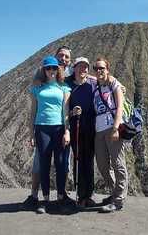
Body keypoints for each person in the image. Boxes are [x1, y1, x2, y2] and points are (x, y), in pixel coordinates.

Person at [23, 46, 73, 209]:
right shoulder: (36, 88)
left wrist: (67, 131)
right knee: (44, 163)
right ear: (44, 70)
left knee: (60, 163)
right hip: (42, 128)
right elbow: (33, 112)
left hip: (58, 128)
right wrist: (31, 134)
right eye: (48, 68)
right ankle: (44, 200)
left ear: (58, 69)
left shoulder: (64, 88)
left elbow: (65, 112)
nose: (51, 70)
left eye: (53, 68)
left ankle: (59, 197)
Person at [92, 57, 128, 213]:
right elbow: (81, 75)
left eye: (102, 68)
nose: (99, 71)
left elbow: (119, 106)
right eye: (96, 68)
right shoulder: (95, 85)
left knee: (118, 164)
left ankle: (118, 200)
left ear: (107, 70)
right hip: (99, 131)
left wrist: (116, 128)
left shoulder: (114, 84)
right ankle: (114, 193)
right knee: (102, 165)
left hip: (113, 128)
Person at [65, 57, 96, 208]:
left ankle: (88, 195)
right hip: (75, 127)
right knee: (78, 160)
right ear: (74, 68)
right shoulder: (68, 84)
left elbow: (107, 81)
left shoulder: (92, 83)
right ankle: (80, 195)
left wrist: (119, 86)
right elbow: (63, 108)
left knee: (89, 161)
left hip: (91, 128)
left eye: (85, 67)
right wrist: (72, 112)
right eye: (80, 67)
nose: (83, 69)